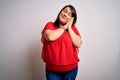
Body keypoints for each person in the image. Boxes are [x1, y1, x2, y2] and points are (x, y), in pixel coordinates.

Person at [41, 4, 82, 80]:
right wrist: (64, 27)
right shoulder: (50, 25)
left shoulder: (73, 29)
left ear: (72, 19)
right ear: (60, 12)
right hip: (52, 70)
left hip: (71, 70)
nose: (65, 14)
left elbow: (78, 43)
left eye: (69, 14)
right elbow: (50, 37)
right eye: (64, 11)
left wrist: (69, 27)